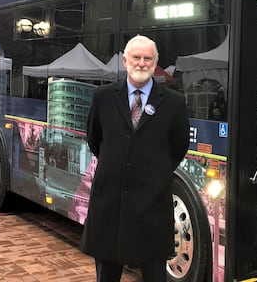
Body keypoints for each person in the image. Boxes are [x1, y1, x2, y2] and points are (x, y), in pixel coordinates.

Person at [80, 35, 190, 282]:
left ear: (155, 62)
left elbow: (179, 146)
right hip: (110, 203)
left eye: (147, 58)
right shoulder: (103, 97)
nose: (141, 63)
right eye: (136, 57)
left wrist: (153, 171)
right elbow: (95, 140)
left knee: (154, 275)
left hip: (152, 205)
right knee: (106, 276)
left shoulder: (174, 103)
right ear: (125, 60)